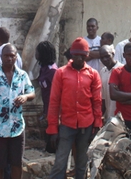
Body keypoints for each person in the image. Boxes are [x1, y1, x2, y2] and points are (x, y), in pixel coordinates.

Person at [47, 38, 102, 179]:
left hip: (86, 125)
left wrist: (97, 124)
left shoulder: (93, 74)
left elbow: (96, 101)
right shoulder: (61, 73)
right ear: (71, 54)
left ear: (86, 55)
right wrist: (52, 128)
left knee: (82, 164)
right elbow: (54, 102)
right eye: (76, 54)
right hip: (67, 124)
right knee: (60, 162)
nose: (79, 58)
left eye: (82, 55)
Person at [0, 44, 35, 179]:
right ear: (1, 57)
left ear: (16, 57)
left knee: (16, 165)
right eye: (6, 56)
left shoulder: (22, 75)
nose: (9, 58)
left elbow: (32, 92)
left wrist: (25, 97)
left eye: (12, 56)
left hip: (17, 128)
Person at [35, 41, 58, 121]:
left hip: (53, 112)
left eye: (37, 51)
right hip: (46, 109)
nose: (35, 54)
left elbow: (57, 93)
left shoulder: (52, 71)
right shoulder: (43, 68)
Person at [99, 44, 120, 122]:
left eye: (107, 56)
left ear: (113, 54)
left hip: (120, 117)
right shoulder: (102, 72)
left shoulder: (122, 69)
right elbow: (103, 98)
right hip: (109, 117)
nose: (105, 59)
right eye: (102, 57)